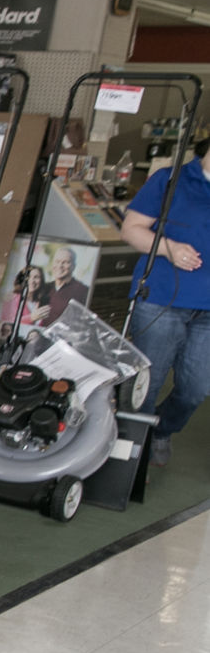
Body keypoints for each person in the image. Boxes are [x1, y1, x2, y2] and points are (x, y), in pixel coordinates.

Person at [120, 143, 210, 467]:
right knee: (148, 381)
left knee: (196, 388)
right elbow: (131, 229)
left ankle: (161, 429)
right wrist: (169, 247)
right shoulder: (169, 180)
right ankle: (132, 453)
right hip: (161, 299)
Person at [35, 246, 90, 326]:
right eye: (57, 261)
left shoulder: (83, 291)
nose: (60, 266)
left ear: (73, 266)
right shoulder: (45, 287)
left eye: (65, 262)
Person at [0, 266, 51, 333]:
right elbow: (8, 322)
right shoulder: (11, 298)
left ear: (41, 281)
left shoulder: (41, 301)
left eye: (36, 277)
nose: (32, 280)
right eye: (28, 277)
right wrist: (31, 318)